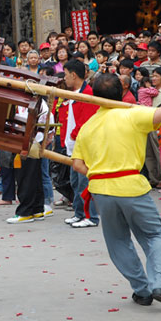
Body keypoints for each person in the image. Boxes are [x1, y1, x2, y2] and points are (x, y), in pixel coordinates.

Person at [71, 72, 161, 308]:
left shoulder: (87, 127)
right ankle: (160, 284)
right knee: (153, 235)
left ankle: (142, 290)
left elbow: (77, 164)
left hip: (101, 189)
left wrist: (99, 173)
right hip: (130, 187)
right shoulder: (133, 114)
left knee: (118, 242)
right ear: (122, 92)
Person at [60, 59, 100, 228]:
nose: (65, 78)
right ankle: (79, 213)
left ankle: (91, 216)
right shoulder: (74, 93)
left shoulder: (87, 94)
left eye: (66, 75)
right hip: (73, 145)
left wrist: (74, 136)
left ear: (74, 75)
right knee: (75, 182)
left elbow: (86, 122)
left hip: (83, 145)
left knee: (84, 182)